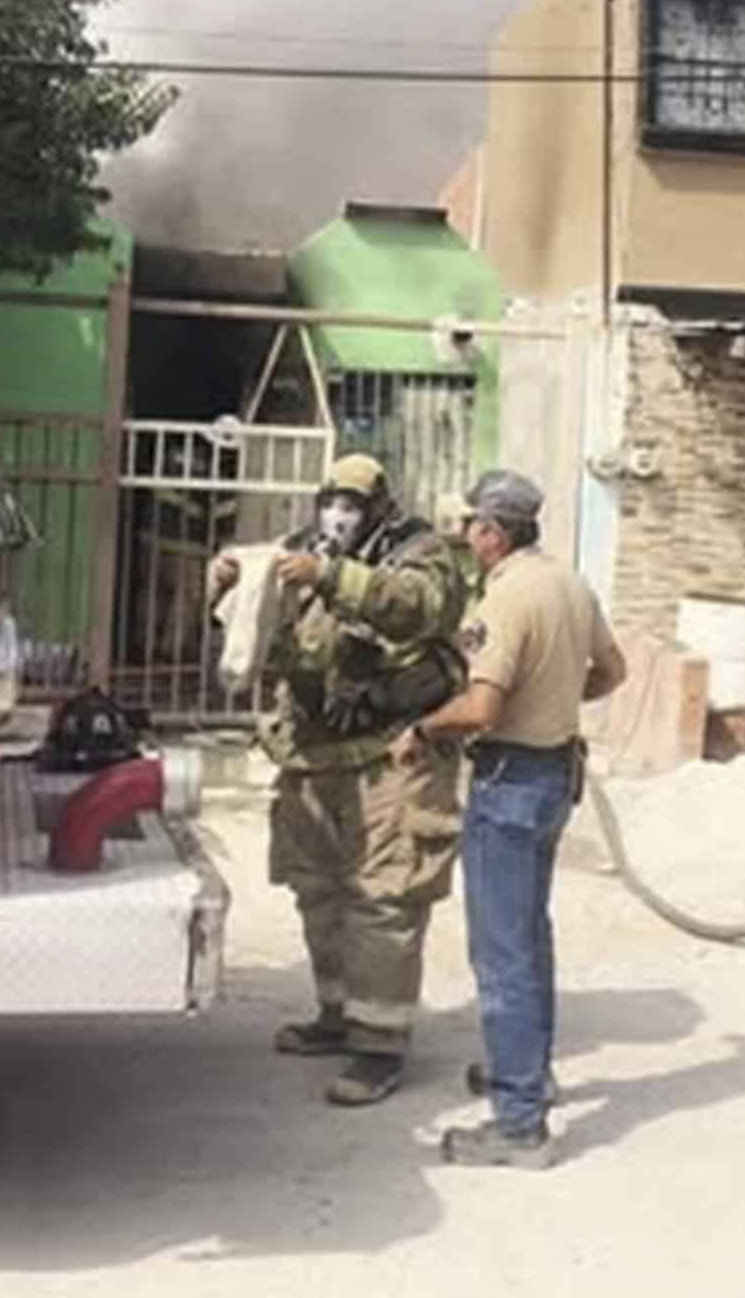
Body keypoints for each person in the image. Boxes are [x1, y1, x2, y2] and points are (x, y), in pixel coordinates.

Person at [209, 452, 471, 1106]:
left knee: (384, 898)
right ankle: (336, 1013)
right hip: (311, 755)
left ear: (379, 506)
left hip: (389, 756)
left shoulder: (420, 552)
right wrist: (226, 584)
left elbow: (418, 608)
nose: (338, 515)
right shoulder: (298, 549)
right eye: (330, 501)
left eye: (352, 504)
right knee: (317, 890)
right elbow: (258, 624)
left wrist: (330, 575)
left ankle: (379, 1044)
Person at [396, 468, 624, 1169]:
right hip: (554, 776)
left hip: (510, 782)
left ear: (493, 533)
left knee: (502, 955)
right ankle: (529, 1071)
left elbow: (481, 708)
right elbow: (612, 671)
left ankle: (519, 1122)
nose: (466, 535)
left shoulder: (505, 598)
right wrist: (554, 699)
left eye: (472, 524)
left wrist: (422, 729)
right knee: (529, 937)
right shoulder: (569, 584)